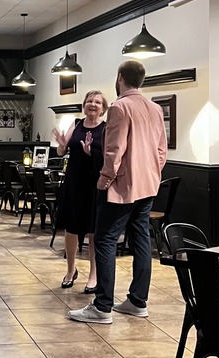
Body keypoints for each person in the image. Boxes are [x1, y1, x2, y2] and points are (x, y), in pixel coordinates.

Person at [69, 60, 168, 324]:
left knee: (103, 241)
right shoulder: (155, 108)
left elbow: (114, 151)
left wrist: (104, 179)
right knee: (141, 240)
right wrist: (152, 173)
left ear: (120, 77)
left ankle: (102, 307)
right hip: (148, 185)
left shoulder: (119, 108)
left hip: (121, 186)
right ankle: (137, 301)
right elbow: (162, 151)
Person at [51, 90, 108, 294]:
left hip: (95, 184)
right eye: (89, 101)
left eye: (97, 102)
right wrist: (60, 144)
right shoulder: (75, 124)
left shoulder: (106, 128)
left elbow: (110, 156)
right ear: (84, 105)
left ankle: (93, 275)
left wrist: (92, 152)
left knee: (93, 231)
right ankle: (70, 270)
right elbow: (61, 151)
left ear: (103, 108)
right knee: (71, 229)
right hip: (74, 182)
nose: (92, 104)